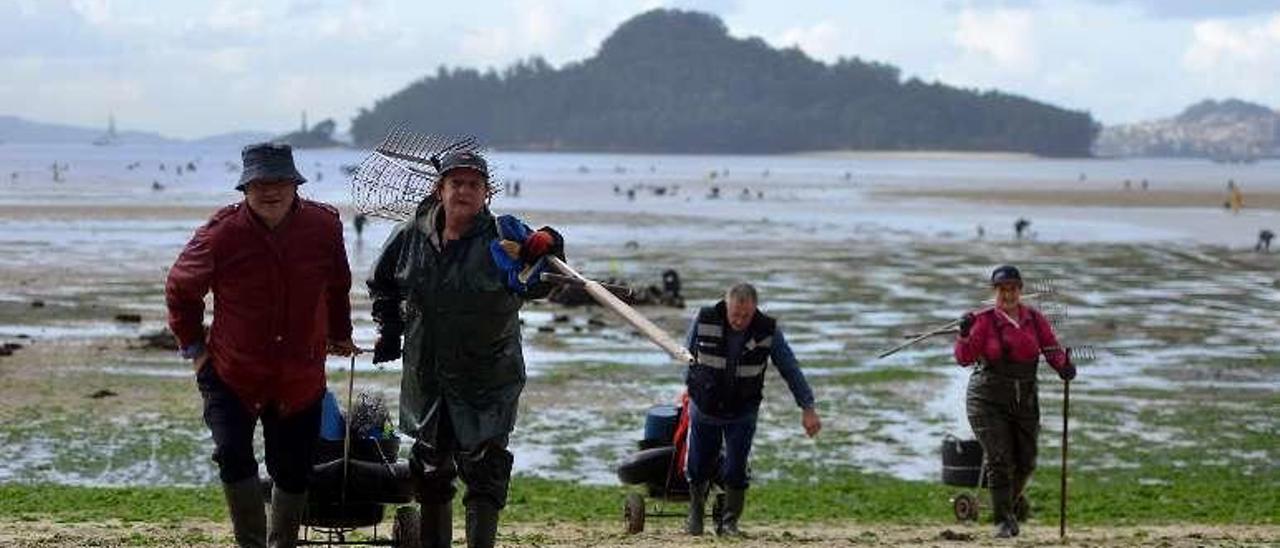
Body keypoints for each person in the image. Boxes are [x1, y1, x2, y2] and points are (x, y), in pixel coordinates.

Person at [367, 150, 563, 548]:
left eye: (474, 184)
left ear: (486, 193)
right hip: (428, 371)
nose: (464, 191)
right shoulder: (411, 235)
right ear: (440, 189)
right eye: (456, 183)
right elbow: (382, 282)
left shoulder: (507, 238)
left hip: (488, 374)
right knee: (431, 470)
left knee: (485, 470)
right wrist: (389, 329)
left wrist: (550, 247)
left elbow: (540, 282)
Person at [166, 142, 356, 548]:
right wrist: (195, 351)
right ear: (245, 188)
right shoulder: (221, 234)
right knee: (233, 455)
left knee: (293, 470)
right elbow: (181, 289)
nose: (270, 192)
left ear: (295, 185)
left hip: (299, 375)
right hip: (232, 372)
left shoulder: (323, 227)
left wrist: (340, 334)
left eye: (280, 182)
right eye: (260, 184)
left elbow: (338, 285)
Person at [682, 283, 821, 537]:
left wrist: (807, 407)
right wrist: (690, 389)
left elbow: (790, 368)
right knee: (699, 464)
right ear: (726, 305)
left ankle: (729, 523)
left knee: (736, 467)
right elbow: (687, 356)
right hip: (705, 407)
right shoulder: (704, 318)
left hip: (742, 411)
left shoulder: (767, 329)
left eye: (745, 315)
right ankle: (695, 516)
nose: (739, 320)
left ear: (754, 309)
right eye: (735, 314)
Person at [954, 265, 1076, 538]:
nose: (1007, 294)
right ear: (994, 292)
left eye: (1012, 288)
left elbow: (1052, 349)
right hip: (986, 399)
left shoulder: (1035, 319)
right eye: (1001, 289)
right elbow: (964, 358)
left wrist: (1064, 367)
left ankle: (1008, 503)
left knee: (1027, 461)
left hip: (1025, 398)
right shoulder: (982, 321)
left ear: (1020, 290)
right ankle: (1004, 521)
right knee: (999, 458)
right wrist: (963, 334)